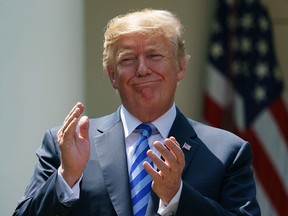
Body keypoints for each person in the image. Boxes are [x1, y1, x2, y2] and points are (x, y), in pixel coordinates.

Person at [13, 8, 260, 216]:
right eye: (128, 60)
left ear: (181, 67)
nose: (142, 69)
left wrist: (177, 197)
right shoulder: (67, 145)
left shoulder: (228, 152)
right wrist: (66, 178)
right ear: (112, 76)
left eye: (154, 56)